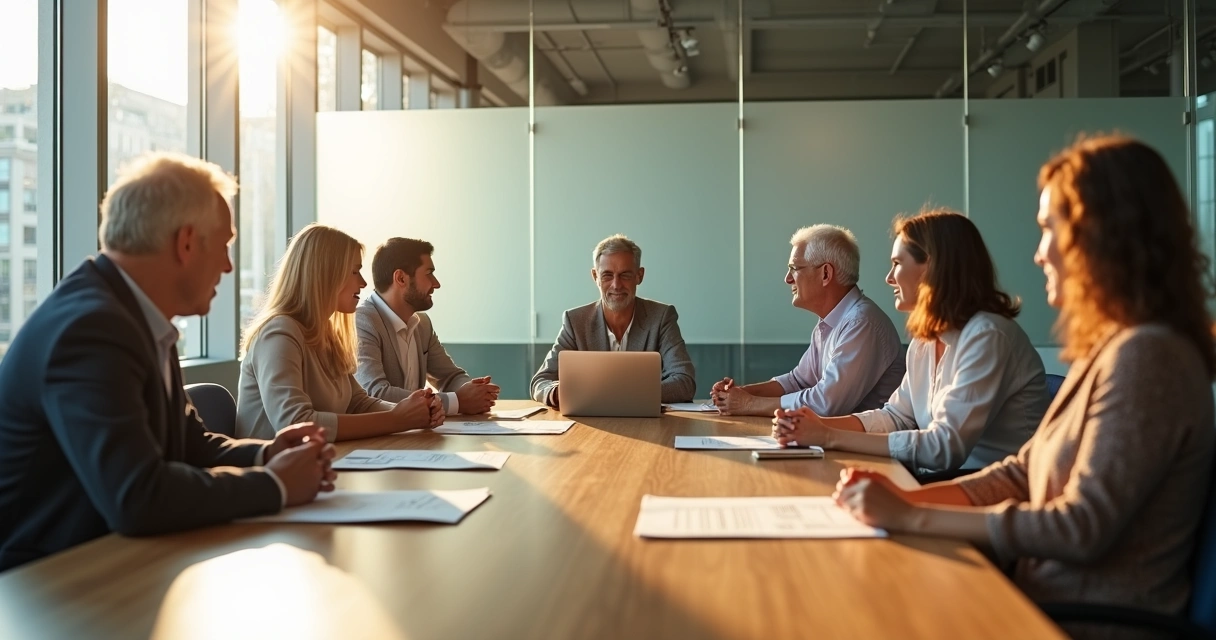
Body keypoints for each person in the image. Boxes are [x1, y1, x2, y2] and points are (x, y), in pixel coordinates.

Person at [831, 136, 1215, 638]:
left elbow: (1081, 529)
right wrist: (911, 502)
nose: (1039, 255)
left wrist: (911, 515)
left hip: (1083, 619)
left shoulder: (1150, 358)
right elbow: (1019, 473)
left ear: (1101, 235)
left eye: (1049, 230)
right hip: (1033, 594)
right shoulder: (1111, 348)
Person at [0, 153, 335, 571]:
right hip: (46, 587)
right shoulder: (90, 328)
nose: (229, 266)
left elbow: (191, 445)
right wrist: (275, 485)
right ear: (187, 243)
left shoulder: (133, 315)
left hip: (111, 564)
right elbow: (137, 497)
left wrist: (267, 454)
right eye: (226, 246)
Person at [774, 208, 1049, 475]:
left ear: (932, 267)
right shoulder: (926, 340)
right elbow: (896, 417)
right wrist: (815, 424)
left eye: (897, 264)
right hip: (942, 478)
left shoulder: (989, 336)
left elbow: (943, 448)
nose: (889, 278)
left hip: (990, 489)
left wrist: (829, 436)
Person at [236, 224, 443, 442]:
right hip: (272, 472)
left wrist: (414, 411)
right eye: (355, 271)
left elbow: (357, 403)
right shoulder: (278, 334)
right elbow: (295, 423)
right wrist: (398, 419)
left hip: (319, 464)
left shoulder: (326, 334)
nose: (363, 282)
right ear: (325, 274)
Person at [710, 224, 904, 416]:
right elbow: (797, 381)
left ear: (826, 274)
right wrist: (739, 394)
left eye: (794, 268)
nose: (787, 279)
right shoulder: (832, 322)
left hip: (863, 445)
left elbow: (825, 404)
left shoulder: (862, 323)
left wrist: (749, 404)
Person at [530, 234, 695, 406]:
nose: (616, 285)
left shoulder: (661, 317)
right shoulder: (575, 321)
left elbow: (685, 382)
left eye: (625, 275)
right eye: (607, 275)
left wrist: (617, 394)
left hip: (647, 425)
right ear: (595, 277)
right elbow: (540, 382)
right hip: (590, 427)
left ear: (639, 276)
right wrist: (557, 393)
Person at [355, 238, 499, 415]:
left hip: (415, 435)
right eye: (428, 273)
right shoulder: (362, 321)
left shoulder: (422, 324)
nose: (436, 283)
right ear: (401, 278)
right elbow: (375, 393)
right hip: (379, 440)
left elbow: (449, 376)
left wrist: (473, 391)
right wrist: (457, 401)